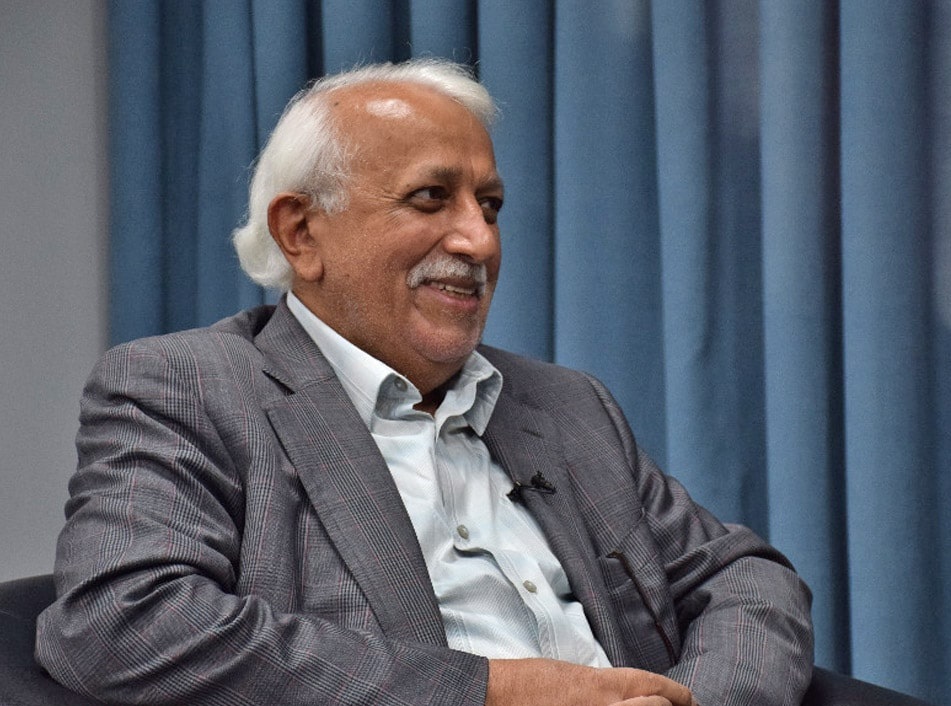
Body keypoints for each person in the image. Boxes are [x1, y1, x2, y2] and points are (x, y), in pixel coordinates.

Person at [36, 58, 812, 705]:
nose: (478, 241)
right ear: (301, 233)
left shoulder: (566, 405)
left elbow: (744, 578)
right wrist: (496, 692)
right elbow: (119, 622)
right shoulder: (190, 388)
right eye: (429, 198)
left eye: (490, 206)